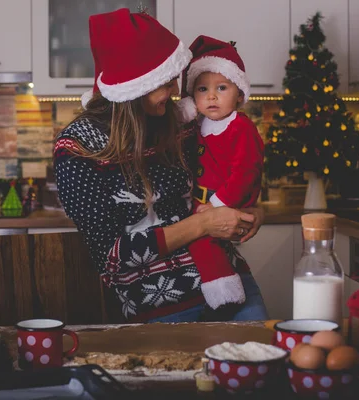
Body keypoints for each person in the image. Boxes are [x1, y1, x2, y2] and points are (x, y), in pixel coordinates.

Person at [54, 8, 268, 323]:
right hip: (159, 306)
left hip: (232, 284)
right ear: (136, 85)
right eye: (166, 82)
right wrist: (203, 225)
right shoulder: (78, 148)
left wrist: (251, 210)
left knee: (262, 367)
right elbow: (112, 257)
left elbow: (225, 174)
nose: (175, 91)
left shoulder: (178, 122)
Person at [176, 36, 265, 316]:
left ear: (239, 94)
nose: (211, 96)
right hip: (205, 201)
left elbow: (245, 172)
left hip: (228, 199)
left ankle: (225, 292)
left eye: (221, 88)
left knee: (205, 241)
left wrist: (217, 206)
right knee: (199, 239)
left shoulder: (241, 127)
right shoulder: (198, 125)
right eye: (202, 89)